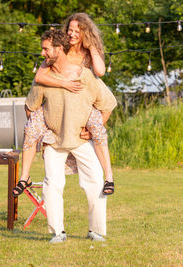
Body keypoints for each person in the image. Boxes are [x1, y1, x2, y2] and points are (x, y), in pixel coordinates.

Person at [25, 29, 117, 243]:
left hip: (81, 140)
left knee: (94, 180)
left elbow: (108, 103)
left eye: (46, 48)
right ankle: (58, 232)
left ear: (58, 49)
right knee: (52, 184)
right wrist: (44, 130)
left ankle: (96, 230)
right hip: (54, 141)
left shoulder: (83, 75)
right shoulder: (43, 79)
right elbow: (30, 108)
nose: (42, 53)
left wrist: (91, 129)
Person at [12, 13, 115, 197]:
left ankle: (109, 177)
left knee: (99, 126)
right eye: (70, 29)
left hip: (84, 97)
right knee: (32, 125)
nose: (72, 34)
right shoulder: (61, 49)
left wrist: (91, 46)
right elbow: (39, 76)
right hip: (59, 97)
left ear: (85, 32)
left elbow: (100, 71)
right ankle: (24, 177)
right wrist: (64, 83)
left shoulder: (89, 50)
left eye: (77, 31)